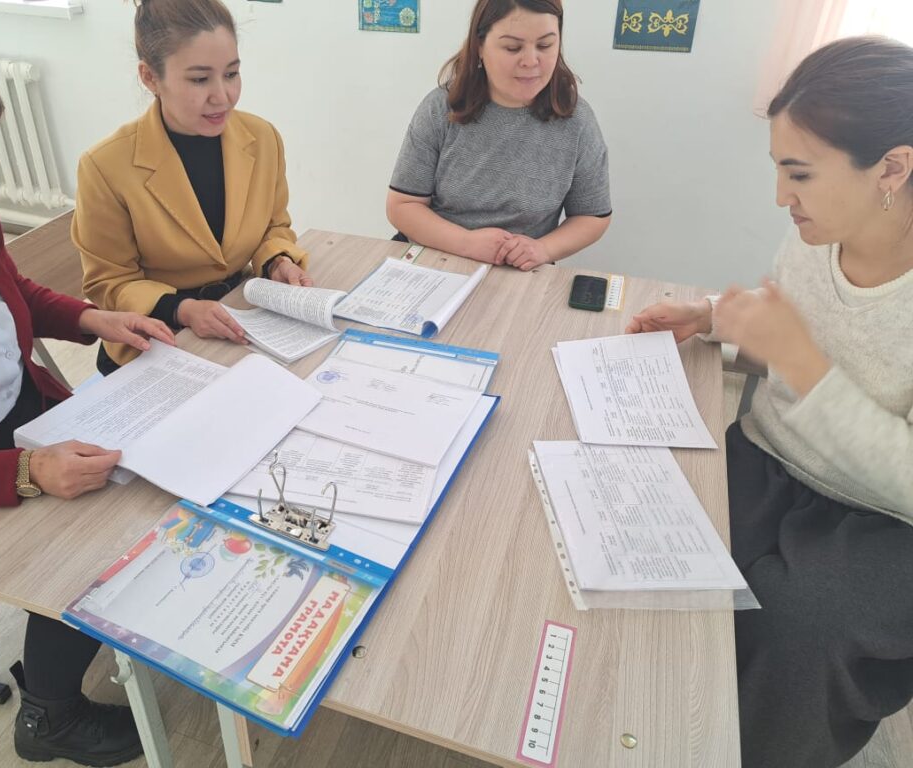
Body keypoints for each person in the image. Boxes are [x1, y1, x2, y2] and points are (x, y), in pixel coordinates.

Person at [0, 17, 177, 766]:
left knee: (151, 484)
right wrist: (24, 473)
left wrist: (92, 317)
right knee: (97, 537)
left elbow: (9, 292)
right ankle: (49, 714)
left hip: (20, 421)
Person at [626, 36, 913, 768]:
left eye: (800, 174)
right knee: (649, 528)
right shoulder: (817, 237)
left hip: (886, 523)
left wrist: (801, 361)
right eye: (779, 169)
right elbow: (783, 333)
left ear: (893, 167)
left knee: (796, 622)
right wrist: (711, 321)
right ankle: (646, 731)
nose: (782, 197)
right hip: (773, 459)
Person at [73, 0, 312, 375]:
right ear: (150, 77)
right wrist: (182, 310)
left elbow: (274, 225)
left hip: (239, 316)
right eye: (200, 80)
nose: (223, 96)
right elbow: (109, 282)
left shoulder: (262, 137)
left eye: (231, 74)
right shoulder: (106, 166)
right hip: (157, 336)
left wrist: (277, 260)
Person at [386, 0, 611, 271]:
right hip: (435, 260)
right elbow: (402, 205)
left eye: (545, 45)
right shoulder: (442, 108)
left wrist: (543, 249)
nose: (531, 61)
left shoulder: (576, 120)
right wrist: (466, 243)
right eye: (512, 48)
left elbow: (592, 216)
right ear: (479, 46)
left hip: (519, 272)